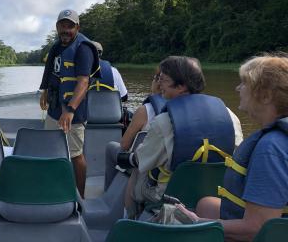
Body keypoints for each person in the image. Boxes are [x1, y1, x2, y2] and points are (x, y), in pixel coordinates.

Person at [177, 54, 288, 241]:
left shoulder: (270, 148)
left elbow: (258, 228)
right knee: (206, 204)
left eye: (244, 83)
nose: (237, 88)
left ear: (266, 96)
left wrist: (197, 222)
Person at [123, 56, 243, 218]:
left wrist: (125, 158)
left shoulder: (164, 122)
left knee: (137, 171)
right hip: (215, 194)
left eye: (163, 80)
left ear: (181, 86)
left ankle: (130, 221)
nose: (159, 85)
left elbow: (143, 160)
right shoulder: (230, 115)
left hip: (169, 197)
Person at [39, 9, 100, 198]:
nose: (66, 30)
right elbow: (52, 72)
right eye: (62, 26)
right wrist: (45, 91)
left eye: (70, 26)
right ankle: (53, 191)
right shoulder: (57, 47)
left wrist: (71, 109)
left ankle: (80, 196)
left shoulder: (83, 48)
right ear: (57, 27)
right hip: (55, 108)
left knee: (75, 155)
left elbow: (83, 81)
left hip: (73, 112)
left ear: (77, 27)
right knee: (51, 149)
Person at [104, 66, 166, 190]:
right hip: (165, 166)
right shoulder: (181, 111)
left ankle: (108, 190)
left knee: (111, 147)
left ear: (158, 83)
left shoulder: (145, 110)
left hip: (140, 163)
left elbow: (124, 145)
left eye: (154, 78)